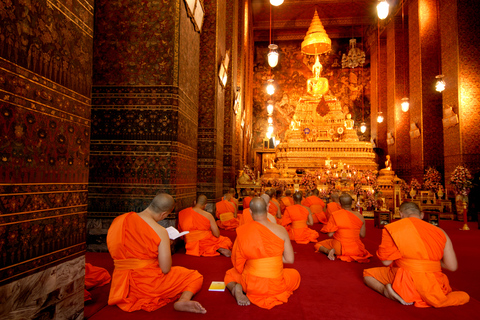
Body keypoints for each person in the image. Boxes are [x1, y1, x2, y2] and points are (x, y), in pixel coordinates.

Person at [107, 193, 206, 313]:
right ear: (164, 214)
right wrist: (166, 246)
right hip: (147, 283)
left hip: (121, 284)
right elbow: (165, 269)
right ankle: (183, 300)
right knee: (194, 276)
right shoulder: (159, 231)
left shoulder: (119, 220)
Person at [363, 202, 469, 308]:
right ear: (422, 215)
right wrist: (428, 261)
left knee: (368, 274)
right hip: (435, 284)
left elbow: (386, 262)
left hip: (406, 281)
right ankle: (422, 294)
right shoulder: (440, 232)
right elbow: (452, 266)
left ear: (400, 214)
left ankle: (388, 292)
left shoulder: (394, 229)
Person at [224, 197, 301, 309]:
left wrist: (255, 260)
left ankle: (236, 288)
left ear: (250, 211)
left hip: (252, 285)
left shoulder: (243, 231)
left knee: (230, 274)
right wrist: (271, 259)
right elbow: (290, 260)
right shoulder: (281, 230)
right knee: (295, 275)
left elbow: (236, 261)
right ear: (267, 208)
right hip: (276, 285)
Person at [315, 193, 372, 263]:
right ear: (352, 202)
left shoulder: (336, 215)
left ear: (339, 203)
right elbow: (363, 235)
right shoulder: (360, 216)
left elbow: (329, 234)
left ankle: (328, 251)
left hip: (339, 248)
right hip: (357, 249)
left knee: (318, 244)